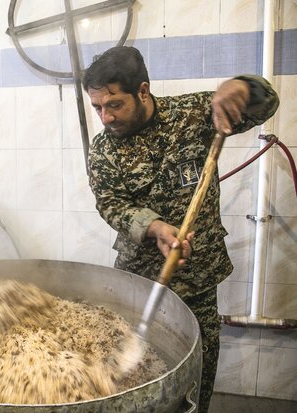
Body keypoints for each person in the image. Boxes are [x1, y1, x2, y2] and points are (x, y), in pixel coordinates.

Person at [82, 46, 278, 413]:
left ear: (143, 91)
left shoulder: (194, 114)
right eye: (97, 108)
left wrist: (242, 87)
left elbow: (265, 104)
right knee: (131, 377)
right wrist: (155, 227)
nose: (105, 118)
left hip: (198, 278)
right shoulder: (103, 150)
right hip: (138, 280)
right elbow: (110, 204)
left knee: (196, 373)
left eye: (114, 105)